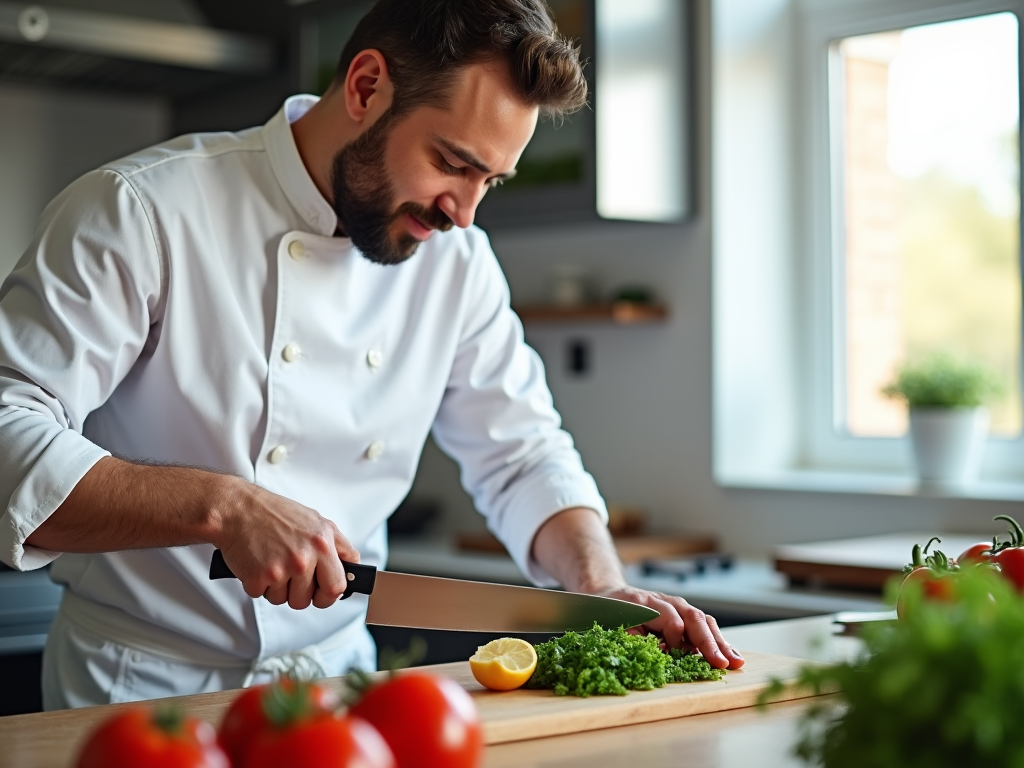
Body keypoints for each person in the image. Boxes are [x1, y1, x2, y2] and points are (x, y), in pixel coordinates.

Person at [0, 0, 744, 710]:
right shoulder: (140, 211)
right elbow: (8, 429)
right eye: (452, 162)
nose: (465, 211)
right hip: (141, 692)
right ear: (365, 87)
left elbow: (522, 456)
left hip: (341, 690)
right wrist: (222, 506)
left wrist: (598, 586)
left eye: (491, 179)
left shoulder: (460, 265)